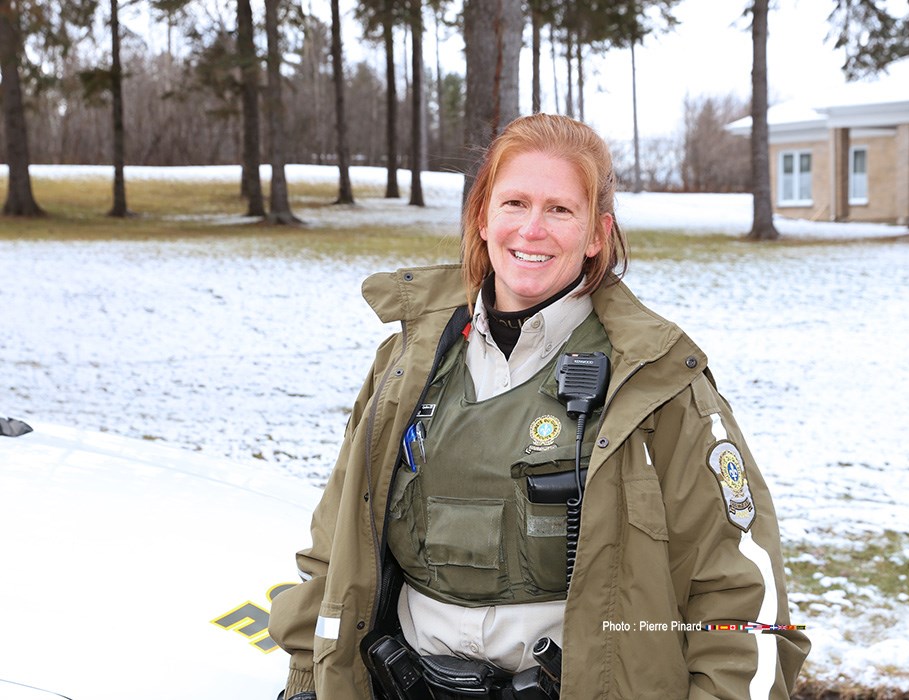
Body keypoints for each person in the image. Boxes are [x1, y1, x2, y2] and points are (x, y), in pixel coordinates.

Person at [269, 113, 810, 699]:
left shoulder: (654, 382)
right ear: (482, 217)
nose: (532, 230)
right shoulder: (409, 363)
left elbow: (741, 593)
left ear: (597, 234)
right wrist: (306, 679)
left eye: (560, 209)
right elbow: (335, 542)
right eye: (514, 203)